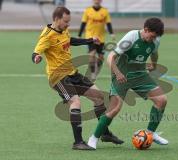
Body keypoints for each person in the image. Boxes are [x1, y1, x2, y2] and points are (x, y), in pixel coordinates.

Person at [32, 6, 123, 150]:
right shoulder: (47, 35)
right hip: (58, 77)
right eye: (66, 21)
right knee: (75, 102)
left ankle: (104, 133)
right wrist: (36, 57)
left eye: (68, 21)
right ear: (56, 19)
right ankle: (78, 142)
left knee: (99, 97)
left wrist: (89, 41)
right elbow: (36, 52)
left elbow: (70, 40)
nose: (68, 24)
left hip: (72, 73)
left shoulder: (63, 30)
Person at [87, 18, 169, 149]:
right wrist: (118, 73)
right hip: (121, 75)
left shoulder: (155, 40)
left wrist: (153, 65)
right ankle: (94, 138)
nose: (153, 39)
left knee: (162, 100)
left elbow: (154, 53)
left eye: (155, 37)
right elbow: (110, 57)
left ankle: (150, 133)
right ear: (146, 30)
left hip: (140, 75)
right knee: (115, 109)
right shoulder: (131, 37)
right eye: (152, 36)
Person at [78, 0, 115, 81]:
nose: (97, 1)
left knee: (101, 57)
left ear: (101, 1)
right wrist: (80, 34)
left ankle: (97, 69)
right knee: (92, 54)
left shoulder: (105, 11)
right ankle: (92, 72)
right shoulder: (88, 10)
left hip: (101, 37)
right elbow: (83, 23)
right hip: (90, 36)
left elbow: (108, 23)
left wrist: (111, 33)